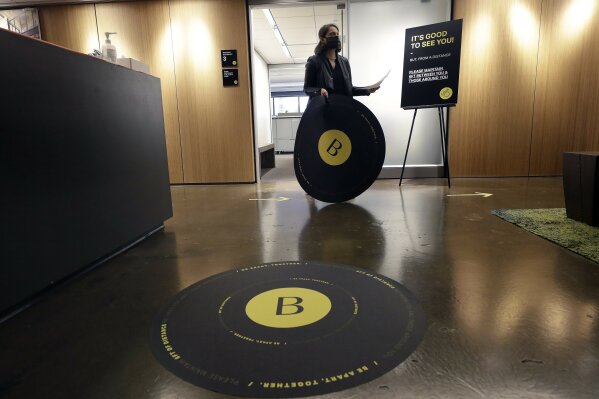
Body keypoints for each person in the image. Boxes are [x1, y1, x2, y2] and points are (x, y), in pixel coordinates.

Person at [303, 23, 379, 99]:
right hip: (323, 107)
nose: (336, 36)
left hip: (343, 107)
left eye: (337, 34)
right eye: (332, 34)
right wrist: (319, 91)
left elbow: (349, 89)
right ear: (322, 39)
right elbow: (307, 89)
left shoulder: (344, 62)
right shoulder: (314, 61)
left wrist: (367, 90)